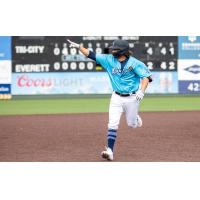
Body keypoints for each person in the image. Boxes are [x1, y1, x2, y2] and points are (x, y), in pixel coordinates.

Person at [67, 39, 152, 161]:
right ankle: (110, 151)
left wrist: (141, 91)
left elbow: (145, 78)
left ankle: (135, 118)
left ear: (123, 51)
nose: (113, 50)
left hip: (132, 98)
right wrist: (79, 47)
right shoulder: (108, 60)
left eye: (116, 49)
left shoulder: (135, 63)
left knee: (132, 124)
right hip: (116, 97)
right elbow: (91, 54)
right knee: (112, 123)